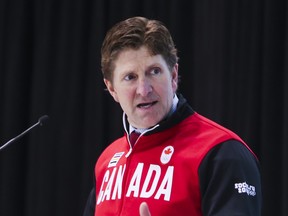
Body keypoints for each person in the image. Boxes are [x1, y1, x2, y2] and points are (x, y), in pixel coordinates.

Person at [83, 16, 262, 216]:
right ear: (112, 88)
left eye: (154, 71)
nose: (144, 89)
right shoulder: (107, 161)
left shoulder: (221, 152)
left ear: (174, 76)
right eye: (130, 77)